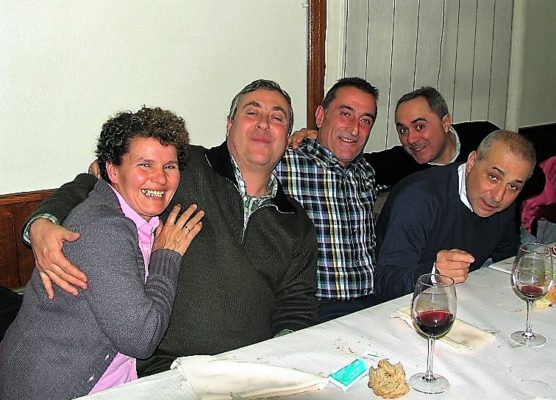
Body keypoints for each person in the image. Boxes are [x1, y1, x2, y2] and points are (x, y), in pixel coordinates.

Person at [22, 80, 319, 376]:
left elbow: (297, 303)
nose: (264, 124)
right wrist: (43, 221)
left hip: (251, 368)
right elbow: (97, 183)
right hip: (165, 367)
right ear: (229, 125)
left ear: (287, 136)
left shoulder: (296, 222)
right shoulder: (180, 166)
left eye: (277, 118)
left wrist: (277, 356)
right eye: (252, 113)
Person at [0, 106, 204, 399]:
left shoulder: (136, 215)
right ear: (112, 170)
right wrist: (166, 256)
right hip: (52, 388)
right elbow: (141, 339)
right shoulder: (103, 228)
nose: (160, 178)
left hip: (114, 382)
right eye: (145, 164)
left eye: (169, 167)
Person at [373, 130, 536, 302]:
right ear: (472, 162)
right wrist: (434, 273)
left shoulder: (503, 203)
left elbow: (508, 257)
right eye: (493, 177)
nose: (498, 196)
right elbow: (384, 284)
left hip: (461, 298)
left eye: (513, 187)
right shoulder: (418, 198)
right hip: (401, 307)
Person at [275, 77, 379, 321]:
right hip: (315, 308)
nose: (355, 129)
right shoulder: (283, 164)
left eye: (365, 120)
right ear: (320, 116)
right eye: (345, 114)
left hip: (372, 303)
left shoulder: (366, 172)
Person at [291, 86, 500, 189]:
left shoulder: (485, 138)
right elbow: (346, 160)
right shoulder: (400, 163)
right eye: (403, 130)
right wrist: (315, 137)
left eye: (419, 126)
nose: (411, 139)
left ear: (445, 123)